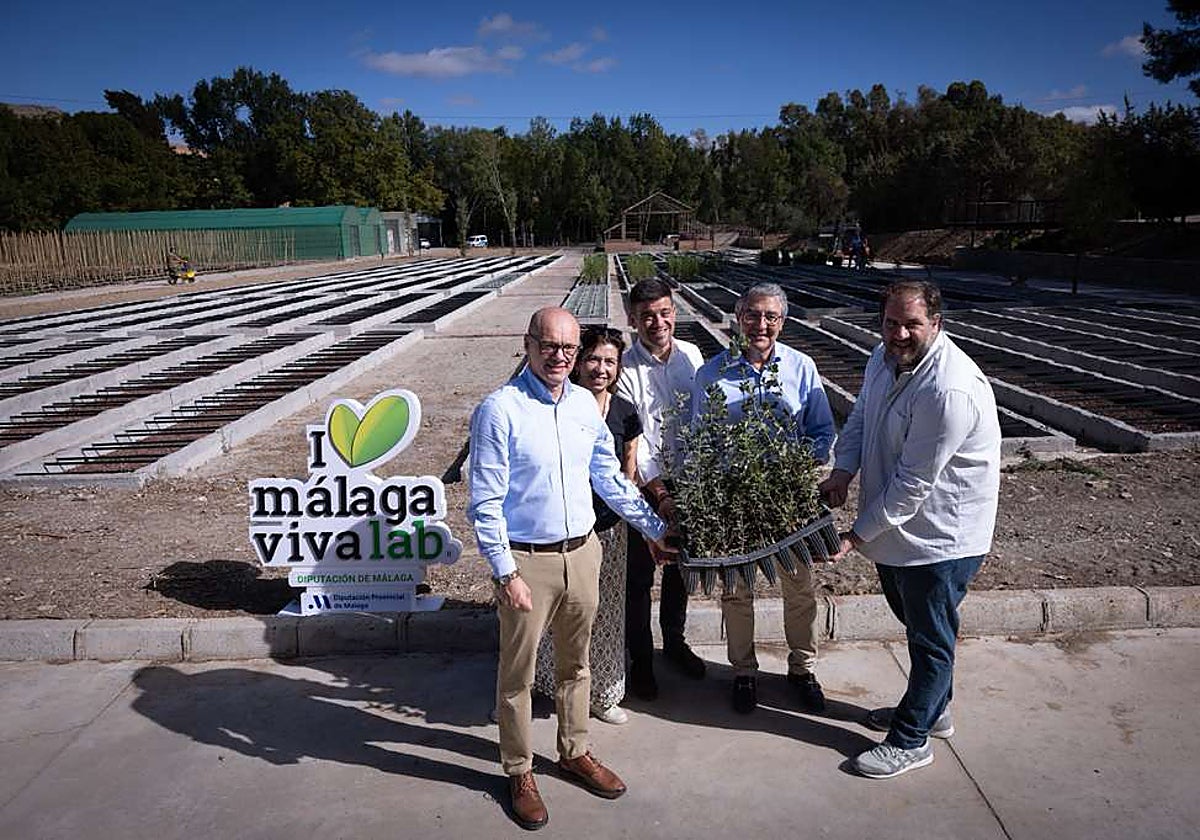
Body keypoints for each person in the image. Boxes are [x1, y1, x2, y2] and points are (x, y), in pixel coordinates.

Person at [468, 307, 673, 830]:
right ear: (528, 344)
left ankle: (574, 750)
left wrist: (652, 526)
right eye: (548, 346)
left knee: (576, 665)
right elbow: (485, 502)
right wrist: (505, 572)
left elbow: (607, 475)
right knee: (517, 676)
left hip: (583, 553)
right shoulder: (501, 409)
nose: (559, 357)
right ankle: (519, 769)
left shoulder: (583, 404)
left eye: (568, 348)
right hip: (527, 561)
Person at [818, 280, 1001, 779]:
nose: (899, 334)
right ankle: (932, 709)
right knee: (917, 624)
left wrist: (854, 536)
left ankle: (910, 740)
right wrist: (843, 470)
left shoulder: (948, 389)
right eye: (891, 323)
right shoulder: (883, 359)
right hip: (899, 530)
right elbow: (861, 418)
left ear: (936, 324)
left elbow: (914, 484)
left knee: (930, 639)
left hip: (941, 536)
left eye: (912, 324)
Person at [692, 282, 836, 715]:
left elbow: (822, 431)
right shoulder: (712, 374)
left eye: (771, 316)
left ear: (782, 322)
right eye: (752, 315)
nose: (761, 324)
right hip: (735, 499)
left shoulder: (801, 367)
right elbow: (701, 440)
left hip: (788, 500)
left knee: (800, 588)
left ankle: (802, 669)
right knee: (737, 591)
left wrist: (797, 462)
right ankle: (744, 671)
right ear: (738, 319)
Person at [534, 326, 642, 726]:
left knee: (605, 612)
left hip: (608, 529)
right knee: (553, 612)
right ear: (579, 362)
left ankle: (603, 693)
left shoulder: (624, 411)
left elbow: (628, 471)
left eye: (610, 361)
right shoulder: (557, 406)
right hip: (560, 527)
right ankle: (544, 685)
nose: (601, 368)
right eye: (594, 359)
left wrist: (642, 520)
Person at [615, 278, 707, 701]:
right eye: (647, 316)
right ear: (633, 319)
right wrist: (660, 495)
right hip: (643, 483)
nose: (657, 322)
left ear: (675, 312)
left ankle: (674, 641)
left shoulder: (691, 355)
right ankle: (641, 659)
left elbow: (702, 420)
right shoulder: (624, 368)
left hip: (689, 480)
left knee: (681, 567)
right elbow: (636, 441)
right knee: (639, 576)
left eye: (664, 312)